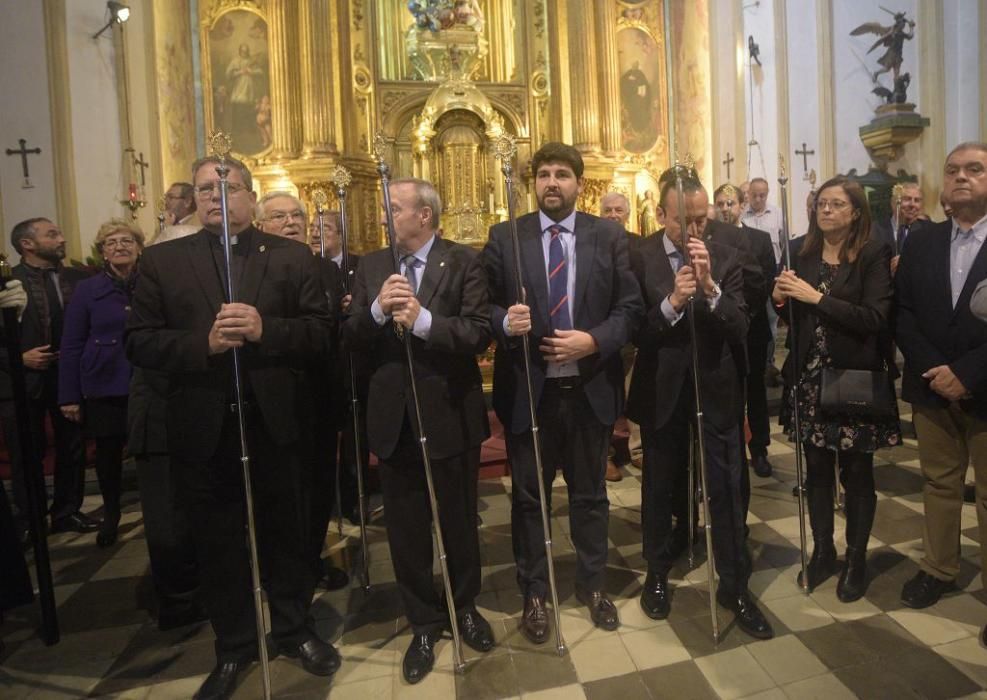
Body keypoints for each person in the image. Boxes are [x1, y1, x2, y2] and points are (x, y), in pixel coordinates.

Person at [126, 155, 338, 700]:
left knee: (285, 532)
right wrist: (204, 344)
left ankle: (293, 628)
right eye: (204, 189)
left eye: (230, 188)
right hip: (203, 424)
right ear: (194, 199)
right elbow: (140, 342)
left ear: (251, 196)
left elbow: (321, 334)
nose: (216, 197)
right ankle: (235, 645)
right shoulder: (163, 261)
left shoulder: (291, 257)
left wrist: (268, 329)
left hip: (278, 421)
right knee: (218, 540)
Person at [483, 142, 643, 642]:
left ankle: (593, 585)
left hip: (588, 388)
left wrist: (592, 339)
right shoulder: (506, 236)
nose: (552, 183)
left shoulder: (608, 235)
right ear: (534, 184)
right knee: (529, 499)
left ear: (579, 183)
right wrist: (505, 320)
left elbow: (632, 308)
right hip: (529, 394)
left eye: (562, 175)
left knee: (591, 496)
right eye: (544, 175)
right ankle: (534, 590)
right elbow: (481, 306)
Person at [344, 177, 493, 684]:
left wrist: (425, 320)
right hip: (394, 417)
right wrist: (374, 311)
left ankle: (464, 606)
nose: (386, 215)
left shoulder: (465, 261)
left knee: (457, 520)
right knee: (406, 529)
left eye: (395, 207)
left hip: (450, 411)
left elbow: (478, 332)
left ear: (424, 216)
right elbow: (350, 339)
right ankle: (424, 621)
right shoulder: (371, 265)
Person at [628, 178, 773, 639]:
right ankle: (656, 572)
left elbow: (740, 326)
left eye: (700, 218)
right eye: (682, 220)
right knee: (659, 482)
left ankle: (734, 583)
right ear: (661, 215)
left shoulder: (726, 253)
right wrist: (672, 302)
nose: (693, 228)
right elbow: (635, 331)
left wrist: (710, 288)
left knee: (726, 485)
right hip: (663, 388)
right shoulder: (639, 256)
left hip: (716, 387)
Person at [774, 176, 900, 601]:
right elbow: (796, 316)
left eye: (836, 204)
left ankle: (857, 558)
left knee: (858, 473)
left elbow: (874, 318)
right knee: (817, 472)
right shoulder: (802, 251)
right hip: (809, 379)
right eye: (821, 204)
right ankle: (823, 550)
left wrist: (815, 299)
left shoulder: (871, 253)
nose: (826, 211)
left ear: (855, 212)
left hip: (854, 378)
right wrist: (780, 299)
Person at [895, 144, 987, 638]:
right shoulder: (923, 241)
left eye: (975, 169)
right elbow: (903, 313)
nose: (961, 178)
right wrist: (936, 368)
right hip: (932, 387)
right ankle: (938, 568)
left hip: (985, 388)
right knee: (939, 483)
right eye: (952, 170)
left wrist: (968, 373)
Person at [255, 191, 350, 592]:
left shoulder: (325, 269)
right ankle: (277, 571)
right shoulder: (251, 268)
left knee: (317, 487)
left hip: (318, 395)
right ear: (260, 225)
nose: (292, 222)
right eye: (280, 216)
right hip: (271, 396)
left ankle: (311, 559)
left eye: (298, 215)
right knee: (277, 492)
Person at [0, 219, 95, 537]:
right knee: (27, 449)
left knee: (72, 446)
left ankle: (67, 511)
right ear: (27, 244)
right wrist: (18, 357)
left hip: (66, 375)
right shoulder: (8, 282)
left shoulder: (75, 278)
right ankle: (32, 519)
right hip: (21, 380)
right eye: (51, 234)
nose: (61, 238)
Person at [57, 220, 144, 547]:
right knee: (108, 453)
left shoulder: (149, 282)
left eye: (126, 240)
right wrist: (69, 395)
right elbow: (72, 343)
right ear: (103, 252)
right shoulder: (87, 290)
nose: (119, 246)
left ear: (138, 247)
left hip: (145, 379)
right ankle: (112, 513)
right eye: (111, 242)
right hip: (104, 381)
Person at [714, 183, 777, 480]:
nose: (725, 209)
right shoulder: (707, 238)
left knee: (756, 392)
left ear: (742, 206)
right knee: (728, 393)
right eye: (720, 204)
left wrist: (744, 313)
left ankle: (760, 449)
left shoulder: (759, 239)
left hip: (752, 327)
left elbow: (764, 282)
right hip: (722, 330)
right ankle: (732, 449)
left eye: (730, 203)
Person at [599, 191, 642, 479]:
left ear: (628, 214)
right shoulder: (589, 242)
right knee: (603, 397)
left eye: (619, 210)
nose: (614, 214)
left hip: (632, 331)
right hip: (600, 333)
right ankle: (605, 456)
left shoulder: (639, 245)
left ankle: (639, 449)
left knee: (636, 392)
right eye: (608, 210)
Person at [872, 182, 925, 274]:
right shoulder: (873, 230)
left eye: (917, 200)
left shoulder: (929, 230)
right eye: (907, 199)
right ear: (893, 203)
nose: (912, 204)